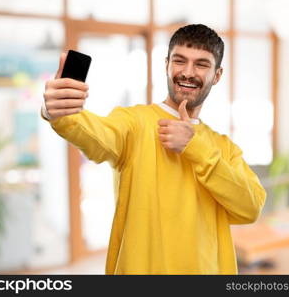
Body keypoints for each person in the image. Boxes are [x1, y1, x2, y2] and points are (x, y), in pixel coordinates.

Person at [42, 24, 266, 274]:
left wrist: (195, 147)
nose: (188, 72)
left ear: (217, 75)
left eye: (201, 64)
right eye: (179, 61)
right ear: (167, 65)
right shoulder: (134, 122)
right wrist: (58, 113)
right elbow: (96, 135)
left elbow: (251, 207)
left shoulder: (225, 148)